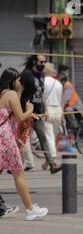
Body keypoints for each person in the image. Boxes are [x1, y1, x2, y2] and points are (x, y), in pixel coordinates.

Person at [0, 68, 49, 220]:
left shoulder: (1, 94)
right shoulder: (11, 94)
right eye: (18, 80)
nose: (20, 83)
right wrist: (30, 109)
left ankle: (30, 207)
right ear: (12, 80)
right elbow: (21, 117)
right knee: (19, 174)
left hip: (3, 138)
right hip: (6, 139)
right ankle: (29, 210)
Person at [21, 55, 61, 174]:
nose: (43, 63)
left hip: (38, 112)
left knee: (43, 137)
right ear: (34, 62)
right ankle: (11, 165)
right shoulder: (26, 74)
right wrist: (22, 108)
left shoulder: (42, 75)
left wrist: (46, 109)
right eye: (41, 61)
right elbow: (19, 90)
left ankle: (51, 164)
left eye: (44, 61)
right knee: (21, 139)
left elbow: (42, 94)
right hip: (26, 112)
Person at [42, 62, 64, 170]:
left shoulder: (43, 82)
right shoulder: (59, 84)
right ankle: (47, 162)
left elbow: (43, 98)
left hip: (48, 110)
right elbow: (61, 100)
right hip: (58, 111)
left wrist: (45, 110)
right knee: (53, 136)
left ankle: (53, 157)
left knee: (49, 137)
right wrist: (63, 115)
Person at [58, 65, 83, 133]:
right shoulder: (63, 85)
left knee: (67, 110)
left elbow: (64, 101)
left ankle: (74, 127)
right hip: (71, 107)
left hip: (77, 110)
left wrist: (61, 114)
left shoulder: (67, 85)